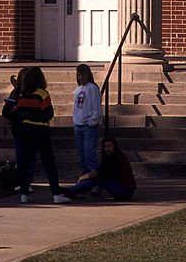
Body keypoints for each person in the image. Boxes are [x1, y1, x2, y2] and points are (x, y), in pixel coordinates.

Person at [10, 66, 70, 204]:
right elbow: (49, 114)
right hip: (41, 131)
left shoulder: (22, 95)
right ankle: (55, 193)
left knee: (25, 162)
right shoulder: (42, 94)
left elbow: (19, 112)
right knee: (48, 162)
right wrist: (38, 116)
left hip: (25, 130)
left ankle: (24, 193)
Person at [65, 135, 136, 201]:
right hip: (124, 191)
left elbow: (98, 173)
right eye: (105, 147)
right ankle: (73, 191)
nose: (107, 149)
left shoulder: (114, 158)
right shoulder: (115, 157)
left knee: (98, 177)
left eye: (109, 146)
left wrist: (82, 178)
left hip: (124, 192)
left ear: (115, 146)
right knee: (98, 178)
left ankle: (71, 191)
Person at [72, 64, 102, 176]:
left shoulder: (93, 88)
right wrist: (75, 119)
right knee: (82, 156)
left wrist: (92, 121)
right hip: (78, 125)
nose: (81, 77)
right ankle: (86, 179)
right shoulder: (78, 89)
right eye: (79, 74)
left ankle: (96, 181)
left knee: (89, 155)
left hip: (88, 127)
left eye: (83, 74)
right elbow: (76, 107)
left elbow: (96, 107)